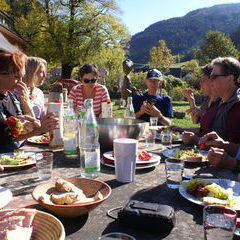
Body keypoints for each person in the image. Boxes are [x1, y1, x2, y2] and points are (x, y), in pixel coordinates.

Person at [0, 52, 58, 152]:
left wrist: (26, 128)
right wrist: (39, 130)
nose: (21, 82)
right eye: (17, 77)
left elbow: (10, 137)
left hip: (14, 154)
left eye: (22, 76)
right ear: (1, 74)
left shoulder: (11, 96)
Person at [183, 57, 240, 145]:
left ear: (230, 78)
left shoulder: (237, 105)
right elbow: (207, 132)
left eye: (214, 77)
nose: (211, 80)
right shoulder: (218, 103)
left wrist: (197, 141)